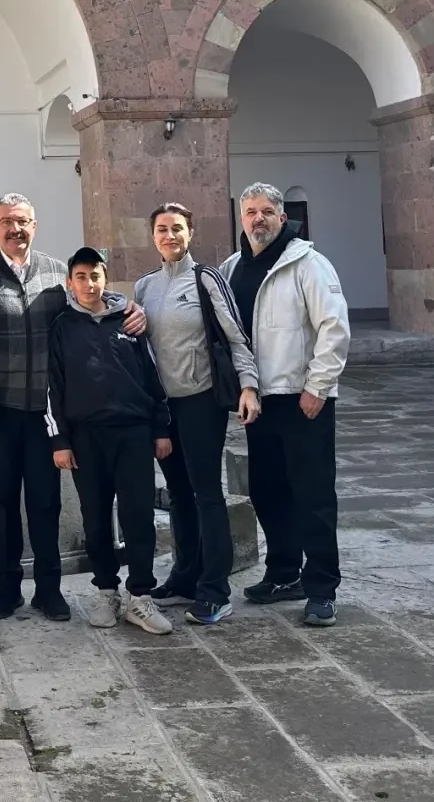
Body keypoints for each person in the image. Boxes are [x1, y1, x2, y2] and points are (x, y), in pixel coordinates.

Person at [0, 193, 149, 624]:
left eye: (22, 221)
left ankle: (48, 589)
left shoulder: (56, 273)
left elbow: (90, 305)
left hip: (45, 414)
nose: (14, 229)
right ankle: (7, 589)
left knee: (46, 503)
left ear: (34, 226)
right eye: (5, 221)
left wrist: (129, 308)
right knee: (3, 502)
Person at [222, 183, 349, 627]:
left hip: (302, 399)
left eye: (268, 211)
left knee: (312, 495)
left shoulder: (308, 263)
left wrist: (318, 386)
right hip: (259, 401)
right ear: (241, 218)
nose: (259, 219)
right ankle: (282, 574)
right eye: (251, 211)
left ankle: (321, 588)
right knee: (268, 490)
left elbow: (334, 327)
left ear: (282, 216)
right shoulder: (233, 266)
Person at [135, 203, 260, 626]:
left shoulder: (207, 279)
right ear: (152, 236)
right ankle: (184, 576)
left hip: (201, 401)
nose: (169, 236)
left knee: (207, 493)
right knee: (177, 494)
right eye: (162, 229)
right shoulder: (145, 286)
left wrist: (248, 385)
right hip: (163, 406)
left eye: (177, 228)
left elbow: (235, 336)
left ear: (191, 233)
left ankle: (215, 589)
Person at [47, 246, 174, 636]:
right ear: (70, 282)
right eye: (81, 276)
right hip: (86, 438)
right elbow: (54, 386)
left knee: (138, 515)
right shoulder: (62, 327)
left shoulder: (130, 321)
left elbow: (152, 376)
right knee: (96, 518)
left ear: (106, 278)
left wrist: (161, 427)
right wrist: (60, 440)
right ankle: (106, 590)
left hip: (133, 433)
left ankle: (140, 596)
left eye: (95, 275)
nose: (89, 283)